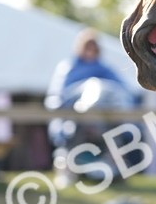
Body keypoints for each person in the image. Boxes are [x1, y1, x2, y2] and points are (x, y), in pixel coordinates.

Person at [45, 29, 137, 187]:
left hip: (103, 121)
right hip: (75, 119)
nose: (90, 52)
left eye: (93, 49)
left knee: (115, 135)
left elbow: (123, 91)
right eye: (87, 48)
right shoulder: (68, 68)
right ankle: (67, 171)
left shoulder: (104, 69)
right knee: (71, 134)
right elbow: (58, 96)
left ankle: (116, 170)